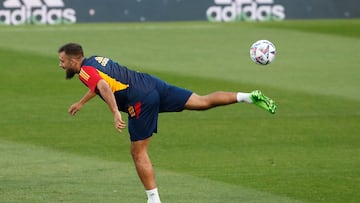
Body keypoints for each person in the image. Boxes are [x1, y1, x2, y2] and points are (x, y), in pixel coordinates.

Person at [57, 42, 276, 203]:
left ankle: (154, 200)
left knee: (138, 152)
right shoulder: (95, 60)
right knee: (201, 101)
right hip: (150, 83)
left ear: (74, 61)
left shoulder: (84, 73)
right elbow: (104, 83)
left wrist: (115, 112)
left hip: (139, 100)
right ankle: (247, 96)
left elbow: (104, 87)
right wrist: (82, 102)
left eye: (63, 61)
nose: (61, 65)